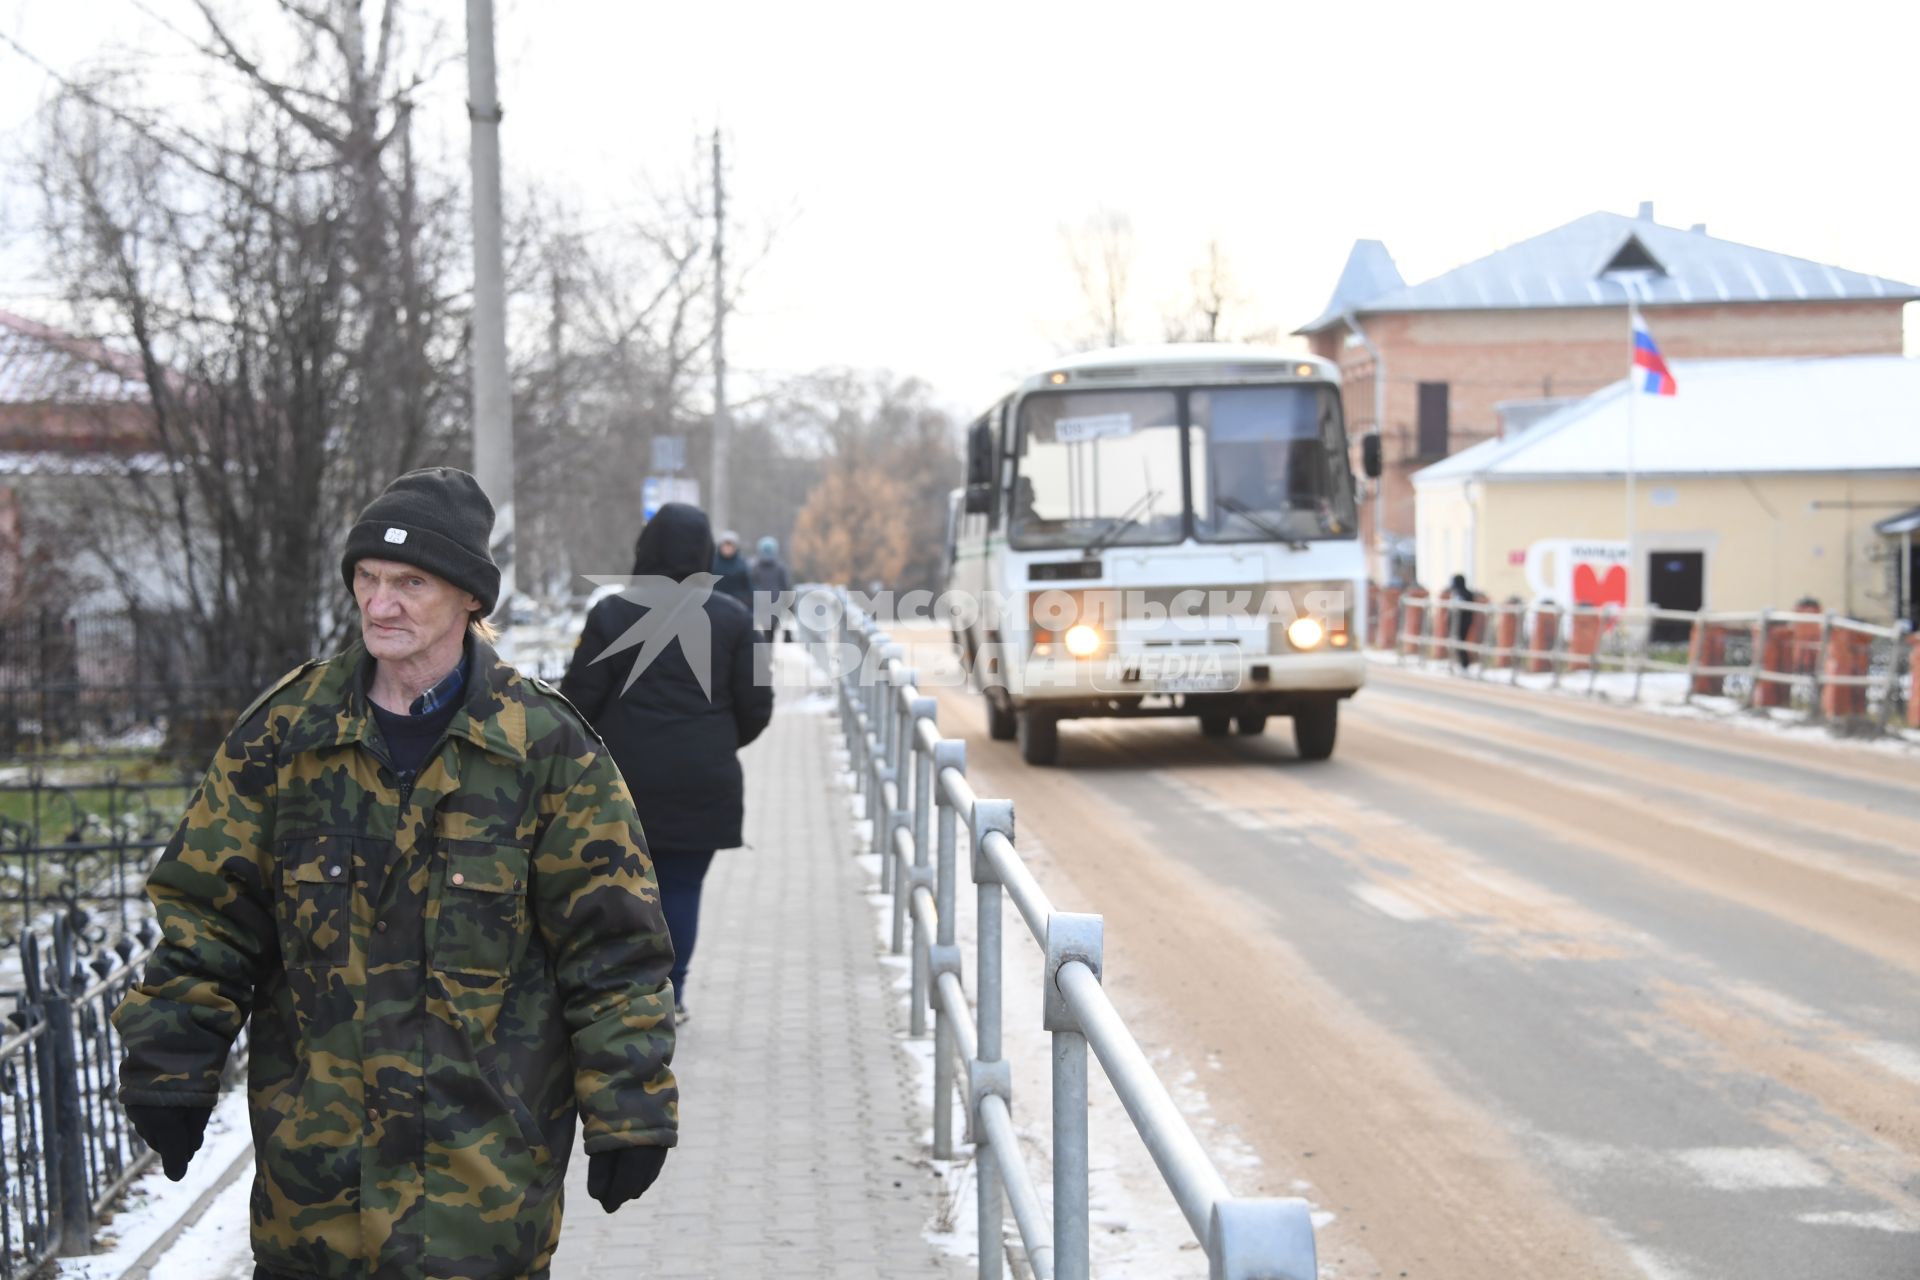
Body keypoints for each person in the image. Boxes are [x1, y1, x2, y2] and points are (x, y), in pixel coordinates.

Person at [112, 467, 678, 1280]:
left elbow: (614, 952)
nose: (381, 605)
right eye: (368, 580)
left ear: (470, 601)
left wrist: (631, 1108)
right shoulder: (285, 736)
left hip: (482, 1204)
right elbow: (209, 918)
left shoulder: (547, 751)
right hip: (314, 1204)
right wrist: (171, 1061)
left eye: (410, 583)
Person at [562, 503, 773, 1020]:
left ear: (646, 548)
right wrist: (715, 743)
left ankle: (620, 993)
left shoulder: (612, 614)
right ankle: (670, 994)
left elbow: (576, 704)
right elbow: (759, 708)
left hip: (620, 785)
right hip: (704, 783)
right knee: (681, 888)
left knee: (619, 889)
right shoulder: (735, 619)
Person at [747, 535, 793, 642]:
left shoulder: (779, 568)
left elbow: (785, 587)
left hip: (774, 604)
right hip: (761, 604)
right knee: (765, 633)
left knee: (769, 633)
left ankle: (767, 654)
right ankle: (765, 654)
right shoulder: (755, 567)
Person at [711, 528, 751, 608]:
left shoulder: (742, 564)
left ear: (735, 547)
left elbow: (749, 587)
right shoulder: (711, 562)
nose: (727, 548)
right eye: (725, 545)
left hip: (736, 605)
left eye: (730, 545)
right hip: (715, 604)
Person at [1448, 572, 1476, 669]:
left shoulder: (1466, 594)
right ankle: (1459, 663)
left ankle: (1465, 664)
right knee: (1456, 642)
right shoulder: (1457, 593)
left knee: (1461, 642)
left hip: (1464, 623)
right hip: (1456, 623)